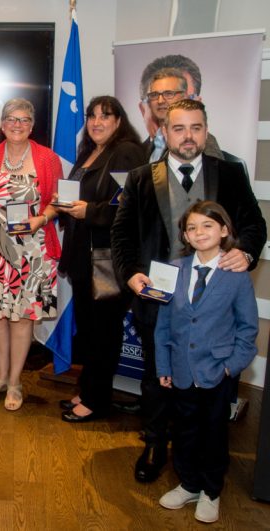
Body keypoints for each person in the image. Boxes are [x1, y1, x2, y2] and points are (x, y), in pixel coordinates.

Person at [111, 98, 266, 483]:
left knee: (210, 389)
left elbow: (254, 225)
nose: (188, 136)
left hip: (215, 307)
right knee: (157, 377)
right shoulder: (142, 177)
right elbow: (122, 234)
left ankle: (202, 462)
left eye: (196, 128)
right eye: (179, 128)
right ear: (164, 132)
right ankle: (155, 443)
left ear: (206, 129)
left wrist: (245, 252)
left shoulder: (229, 173)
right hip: (159, 301)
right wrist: (130, 273)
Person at [156, 201, 257, 524]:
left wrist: (231, 366)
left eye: (207, 226)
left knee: (213, 434)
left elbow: (247, 328)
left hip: (217, 372)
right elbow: (162, 325)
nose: (199, 232)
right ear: (185, 235)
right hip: (182, 370)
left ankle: (211, 490)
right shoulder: (174, 269)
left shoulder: (236, 276)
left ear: (224, 230)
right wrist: (164, 367)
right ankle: (189, 483)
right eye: (192, 227)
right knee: (184, 430)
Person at [55, 95, 145, 423]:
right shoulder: (90, 152)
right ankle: (89, 388)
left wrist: (88, 210)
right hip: (82, 258)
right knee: (90, 331)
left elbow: (129, 203)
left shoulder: (127, 152)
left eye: (105, 116)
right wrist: (65, 204)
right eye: (92, 116)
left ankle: (97, 400)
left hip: (107, 261)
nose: (96, 122)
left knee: (103, 333)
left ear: (119, 121)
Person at [0, 98, 61, 411]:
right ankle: (0, 375)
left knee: (24, 318)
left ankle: (15, 381)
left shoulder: (48, 158)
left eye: (24, 119)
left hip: (34, 251)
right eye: (11, 118)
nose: (16, 124)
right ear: (2, 122)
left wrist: (40, 218)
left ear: (32, 125)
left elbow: (58, 202)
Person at [137, 56, 222, 161]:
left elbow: (212, 174)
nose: (160, 101)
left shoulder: (201, 142)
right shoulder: (148, 145)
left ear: (185, 97)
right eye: (154, 95)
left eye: (168, 94)